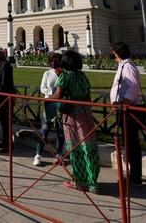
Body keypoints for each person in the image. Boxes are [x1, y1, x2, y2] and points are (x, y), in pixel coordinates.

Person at [49, 50, 100, 194]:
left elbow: (58, 95)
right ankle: (92, 183)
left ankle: (78, 181)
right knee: (89, 147)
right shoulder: (82, 76)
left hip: (72, 116)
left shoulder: (65, 77)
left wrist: (45, 100)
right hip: (85, 114)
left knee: (75, 149)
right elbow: (88, 97)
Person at [109, 42, 146, 186]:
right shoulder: (124, 65)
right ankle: (133, 174)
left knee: (132, 144)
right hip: (124, 109)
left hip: (128, 110)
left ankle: (135, 176)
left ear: (117, 53)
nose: (113, 57)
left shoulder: (127, 66)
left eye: (113, 54)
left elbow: (133, 86)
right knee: (128, 143)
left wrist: (122, 102)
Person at [33, 53, 65, 166]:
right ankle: (38, 154)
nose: (53, 63)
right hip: (49, 104)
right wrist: (53, 94)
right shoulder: (47, 73)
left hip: (60, 105)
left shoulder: (64, 74)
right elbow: (43, 88)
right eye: (51, 61)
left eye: (56, 61)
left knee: (60, 132)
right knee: (44, 131)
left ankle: (59, 154)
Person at [0, 48, 15, 153]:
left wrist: (1, 98)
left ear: (1, 55)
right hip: (2, 98)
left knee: (6, 122)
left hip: (4, 99)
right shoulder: (3, 65)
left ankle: (8, 144)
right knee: (3, 122)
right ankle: (5, 141)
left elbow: (4, 84)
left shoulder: (5, 65)